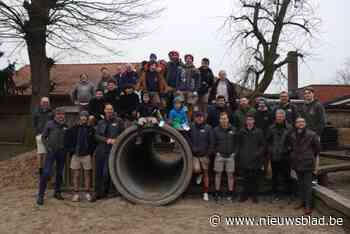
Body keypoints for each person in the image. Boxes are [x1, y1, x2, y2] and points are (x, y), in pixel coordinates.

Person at [287, 117, 321, 215]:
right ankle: (302, 202)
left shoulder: (312, 134)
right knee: (300, 184)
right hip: (297, 163)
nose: (300, 123)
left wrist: (311, 158)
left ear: (305, 123)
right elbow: (291, 147)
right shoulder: (293, 135)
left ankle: (308, 205)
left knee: (308, 185)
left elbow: (317, 149)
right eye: (298, 122)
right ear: (295, 124)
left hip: (307, 164)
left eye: (302, 122)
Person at [36, 107, 68, 206]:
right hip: (51, 152)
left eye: (62, 114)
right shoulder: (49, 124)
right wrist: (47, 147)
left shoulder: (65, 125)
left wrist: (67, 148)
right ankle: (40, 195)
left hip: (61, 152)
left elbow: (68, 138)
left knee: (59, 173)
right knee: (46, 173)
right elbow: (43, 137)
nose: (60, 116)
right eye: (58, 114)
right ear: (55, 115)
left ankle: (57, 192)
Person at [94, 104, 124, 199]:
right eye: (107, 109)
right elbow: (96, 136)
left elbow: (123, 133)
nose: (109, 111)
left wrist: (116, 139)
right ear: (104, 111)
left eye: (111, 109)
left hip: (113, 150)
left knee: (107, 172)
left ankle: (110, 192)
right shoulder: (100, 122)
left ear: (113, 110)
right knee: (99, 172)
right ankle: (99, 193)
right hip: (101, 150)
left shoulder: (118, 121)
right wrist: (106, 140)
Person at [65, 111, 95, 202]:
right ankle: (76, 194)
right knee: (76, 175)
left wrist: (90, 151)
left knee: (87, 175)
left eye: (85, 116)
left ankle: (87, 193)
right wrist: (72, 150)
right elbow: (68, 140)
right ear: (79, 118)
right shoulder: (73, 129)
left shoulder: (91, 129)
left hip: (86, 155)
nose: (83, 118)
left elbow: (94, 142)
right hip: (75, 155)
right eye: (82, 116)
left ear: (87, 118)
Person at [237, 114, 265, 203]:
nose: (249, 121)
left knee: (254, 178)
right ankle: (244, 195)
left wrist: (258, 153)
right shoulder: (241, 131)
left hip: (255, 159)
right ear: (246, 121)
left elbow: (262, 145)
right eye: (248, 120)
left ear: (254, 121)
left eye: (251, 120)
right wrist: (240, 154)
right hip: (244, 158)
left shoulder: (259, 131)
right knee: (245, 178)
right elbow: (238, 144)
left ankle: (254, 195)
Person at [266, 109, 293, 202]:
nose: (279, 117)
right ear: (275, 116)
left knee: (287, 176)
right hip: (274, 156)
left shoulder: (289, 128)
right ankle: (275, 194)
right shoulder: (271, 128)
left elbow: (292, 141)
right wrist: (270, 149)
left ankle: (289, 193)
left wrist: (288, 149)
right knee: (275, 177)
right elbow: (268, 141)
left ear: (284, 117)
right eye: (278, 116)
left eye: (281, 116)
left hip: (286, 156)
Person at [213, 111, 239, 202]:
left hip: (230, 156)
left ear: (228, 119)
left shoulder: (233, 129)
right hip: (219, 155)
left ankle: (230, 193)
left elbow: (237, 143)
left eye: (225, 118)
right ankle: (217, 192)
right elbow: (213, 143)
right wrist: (216, 152)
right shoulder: (215, 130)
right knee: (218, 174)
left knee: (230, 175)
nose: (224, 120)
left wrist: (234, 153)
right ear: (219, 120)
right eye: (222, 118)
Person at [301, 87, 326, 177]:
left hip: (315, 135)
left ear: (313, 94)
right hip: (305, 135)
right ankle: (307, 173)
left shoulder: (318, 105)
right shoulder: (303, 106)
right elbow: (301, 121)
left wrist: (317, 134)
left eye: (309, 93)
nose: (307, 94)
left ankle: (314, 174)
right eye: (306, 93)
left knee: (315, 154)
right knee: (306, 153)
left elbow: (322, 121)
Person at [189, 111, 214, 201]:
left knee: (206, 173)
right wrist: (192, 148)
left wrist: (208, 154)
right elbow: (187, 137)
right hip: (194, 155)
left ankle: (205, 193)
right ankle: (199, 174)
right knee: (196, 169)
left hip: (205, 155)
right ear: (194, 118)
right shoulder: (191, 126)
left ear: (204, 118)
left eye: (201, 117)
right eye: (197, 117)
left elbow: (212, 143)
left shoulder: (208, 128)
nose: (199, 118)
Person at [32, 97, 53, 176]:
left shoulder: (51, 112)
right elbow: (34, 123)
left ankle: (45, 169)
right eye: (44, 102)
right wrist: (36, 132)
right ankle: (40, 169)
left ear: (49, 103)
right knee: (40, 153)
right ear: (41, 103)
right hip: (40, 134)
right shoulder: (37, 112)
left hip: (49, 134)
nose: (45, 104)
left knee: (46, 153)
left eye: (47, 102)